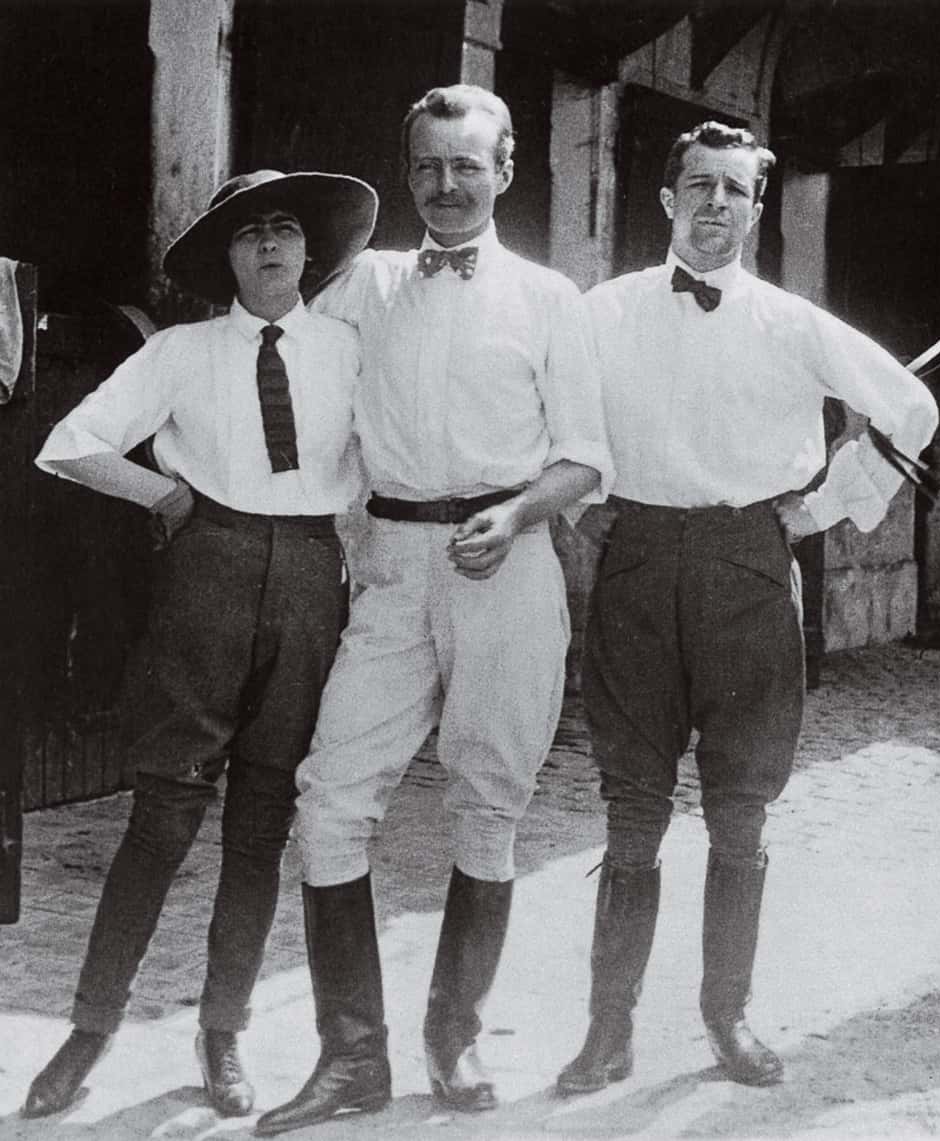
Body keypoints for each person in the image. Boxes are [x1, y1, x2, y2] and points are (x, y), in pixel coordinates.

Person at [255, 85, 611, 1136]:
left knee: (488, 799)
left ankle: (453, 1035)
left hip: (508, 563)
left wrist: (517, 514)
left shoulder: (549, 298)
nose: (446, 186)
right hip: (391, 567)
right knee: (331, 797)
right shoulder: (363, 285)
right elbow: (290, 373)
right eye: (427, 166)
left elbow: (586, 457)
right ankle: (350, 1057)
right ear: (406, 174)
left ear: (505, 171)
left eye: (466, 166)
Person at [556, 121, 939, 1094]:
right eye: (698, 184)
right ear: (666, 201)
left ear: (758, 209)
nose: (715, 203)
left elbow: (911, 407)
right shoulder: (599, 312)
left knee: (739, 811)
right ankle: (607, 1029)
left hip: (750, 570)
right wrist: (579, 510)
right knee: (631, 807)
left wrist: (823, 508)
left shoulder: (791, 323)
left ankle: (726, 1016)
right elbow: (539, 412)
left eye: (734, 188)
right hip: (636, 565)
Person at [23, 169, 377, 1119]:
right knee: (161, 819)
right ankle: (88, 1030)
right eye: (249, 233)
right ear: (227, 255)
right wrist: (167, 496)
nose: (269, 246)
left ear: (309, 250)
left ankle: (223, 1032)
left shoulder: (350, 350)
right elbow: (70, 441)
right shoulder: (181, 350)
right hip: (205, 577)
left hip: (310, 577)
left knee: (260, 827)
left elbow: (390, 458)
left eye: (284, 230)